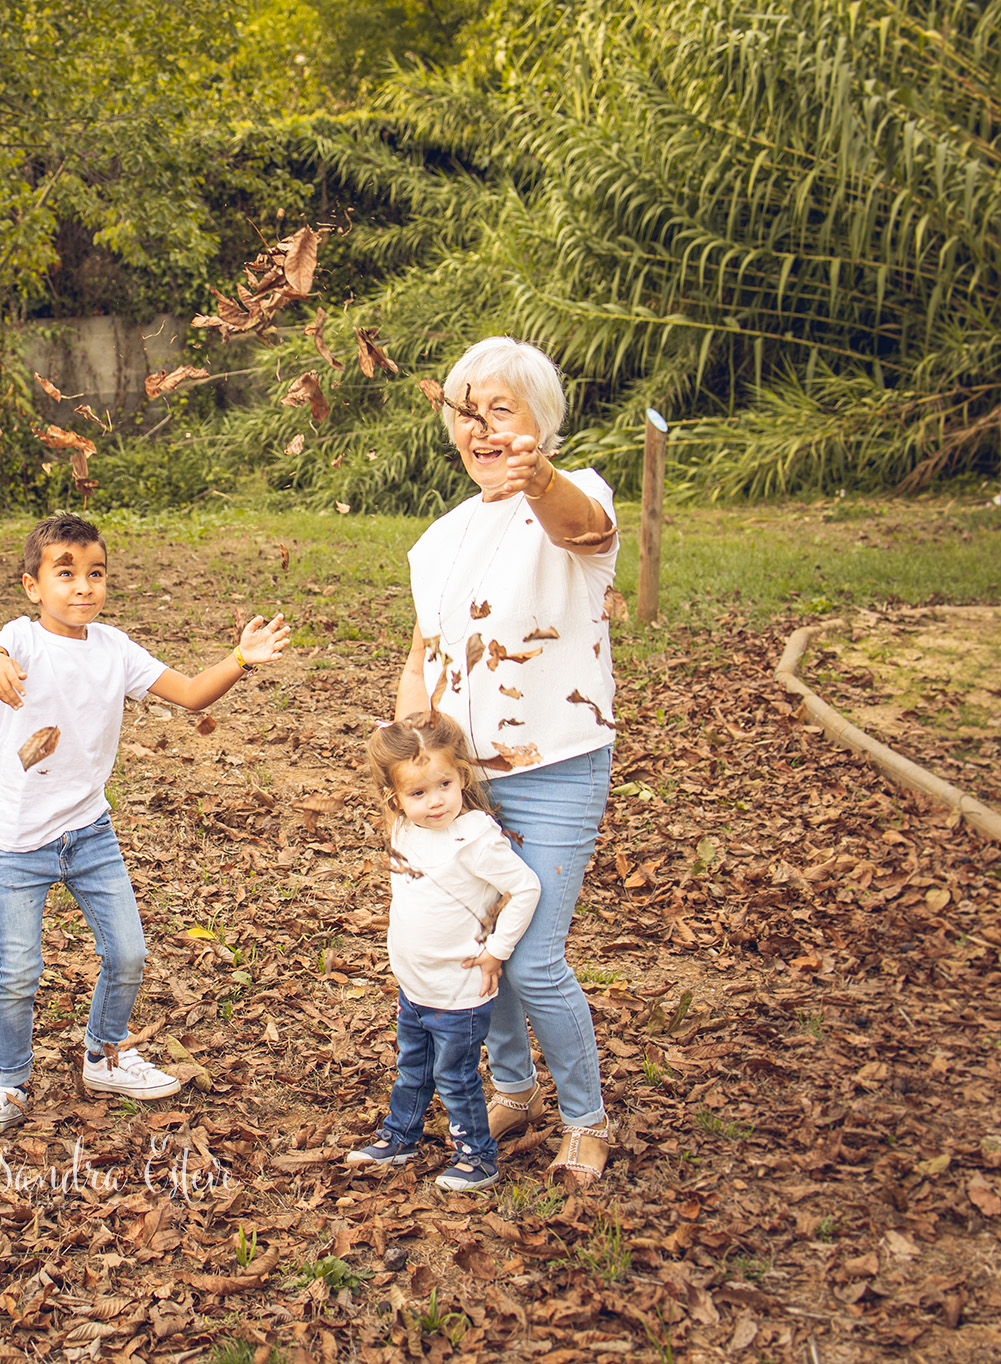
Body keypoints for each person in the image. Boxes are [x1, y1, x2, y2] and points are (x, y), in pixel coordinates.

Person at [0, 512, 292, 1134]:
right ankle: (9, 1084)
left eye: (95, 574)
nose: (83, 587)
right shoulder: (22, 638)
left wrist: (241, 657)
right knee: (18, 970)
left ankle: (105, 1053)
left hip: (89, 833)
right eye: (66, 574)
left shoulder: (115, 647)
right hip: (19, 843)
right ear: (33, 586)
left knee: (129, 952)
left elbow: (190, 693)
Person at [396, 336, 622, 1187]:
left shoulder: (572, 492)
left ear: (540, 424)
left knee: (529, 956)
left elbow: (585, 530)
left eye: (502, 410)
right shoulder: (439, 539)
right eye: (468, 412)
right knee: (470, 944)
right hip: (466, 784)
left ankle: (587, 1117)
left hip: (556, 766)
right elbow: (426, 654)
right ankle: (515, 1088)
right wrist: (408, 763)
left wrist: (537, 480)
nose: (482, 428)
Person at [343, 714, 540, 1192]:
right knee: (412, 1066)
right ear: (394, 798)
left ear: (462, 779)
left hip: (459, 988)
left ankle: (477, 1157)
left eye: (444, 785)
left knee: (455, 1077)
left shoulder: (473, 838)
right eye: (418, 793)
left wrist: (497, 951)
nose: (435, 801)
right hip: (416, 984)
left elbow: (526, 887)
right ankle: (401, 1136)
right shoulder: (404, 829)